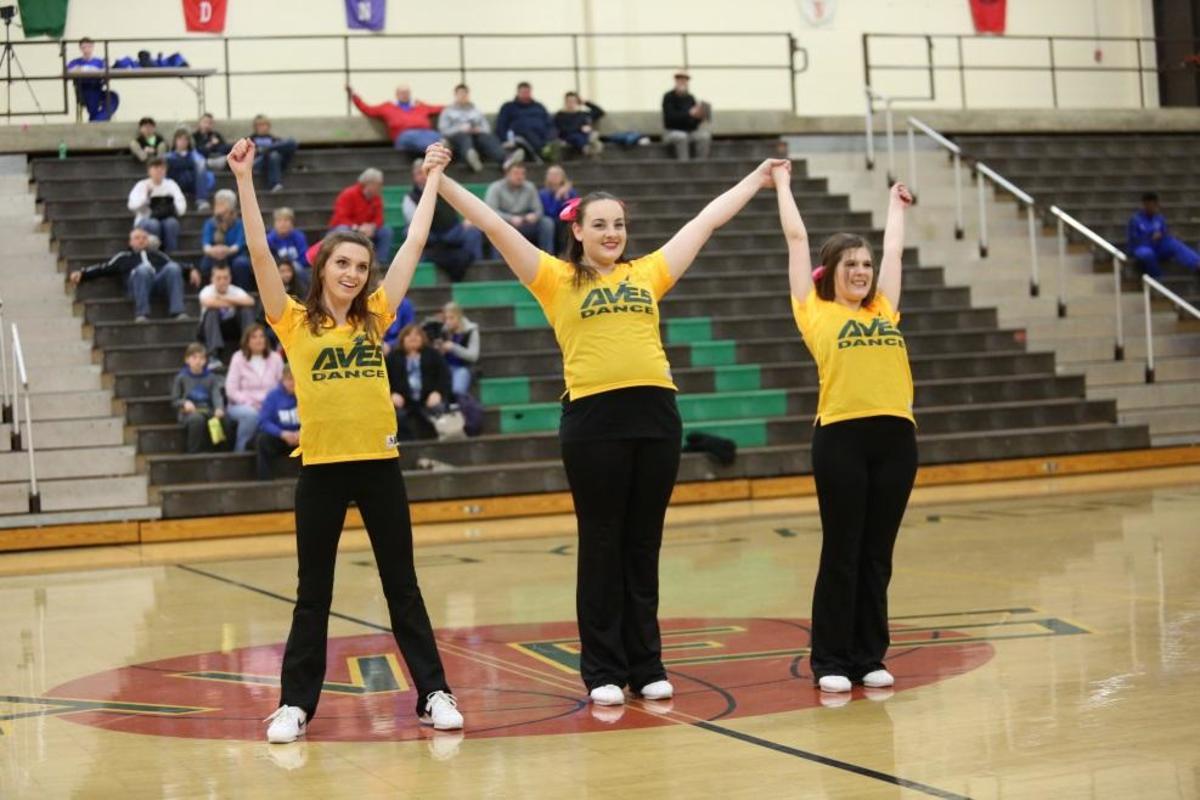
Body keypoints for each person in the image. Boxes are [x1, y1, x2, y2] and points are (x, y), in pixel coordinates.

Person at [437, 147, 789, 707]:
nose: (612, 233)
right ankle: (602, 667)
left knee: (642, 546)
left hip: (656, 417)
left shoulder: (647, 273)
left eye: (619, 224)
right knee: (601, 546)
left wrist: (758, 175)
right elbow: (491, 222)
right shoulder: (553, 277)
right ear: (576, 229)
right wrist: (441, 178)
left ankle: (646, 663)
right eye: (599, 224)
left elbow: (707, 219)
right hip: (593, 420)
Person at [228, 136, 464, 742]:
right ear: (323, 268)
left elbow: (412, 243)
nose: (353, 274)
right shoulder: (293, 321)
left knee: (402, 586)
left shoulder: (378, 314)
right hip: (323, 470)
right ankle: (295, 705)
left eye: (361, 267)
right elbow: (257, 250)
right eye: (343, 264)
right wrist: (246, 181)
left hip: (379, 466)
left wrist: (432, 177)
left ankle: (434, 692)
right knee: (315, 593)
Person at [774, 167, 917, 695]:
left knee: (878, 553)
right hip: (840, 438)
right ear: (829, 270)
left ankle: (868, 654)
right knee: (843, 550)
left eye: (865, 264)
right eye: (851, 264)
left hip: (896, 439)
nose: (861, 271)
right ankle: (830, 659)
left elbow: (896, 255)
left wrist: (895, 207)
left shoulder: (884, 309)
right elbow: (795, 237)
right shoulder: (814, 312)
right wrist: (783, 185)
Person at [68, 228, 186, 322]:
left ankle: (178, 311)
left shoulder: (158, 255)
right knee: (143, 270)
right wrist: (83, 273)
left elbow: (174, 265)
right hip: (136, 286)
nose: (141, 240)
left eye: (144, 238)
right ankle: (142, 314)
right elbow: (104, 268)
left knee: (173, 268)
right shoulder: (124, 257)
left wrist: (190, 270)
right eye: (137, 238)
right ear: (130, 242)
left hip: (157, 284)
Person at [404, 158, 482, 281]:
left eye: (424, 172)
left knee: (473, 232)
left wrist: (468, 219)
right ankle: (419, 271)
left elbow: (464, 204)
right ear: (414, 177)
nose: (422, 176)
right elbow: (415, 222)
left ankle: (477, 269)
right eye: (418, 173)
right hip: (430, 235)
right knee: (410, 232)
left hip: (452, 231)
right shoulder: (410, 198)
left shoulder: (446, 189)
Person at [385, 324, 451, 441]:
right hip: (402, 401)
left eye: (417, 335)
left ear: (423, 338)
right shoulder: (393, 357)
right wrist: (391, 394)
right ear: (402, 339)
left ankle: (438, 443)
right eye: (409, 335)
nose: (413, 338)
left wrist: (438, 393)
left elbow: (445, 377)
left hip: (428, 398)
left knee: (439, 408)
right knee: (392, 415)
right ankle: (396, 448)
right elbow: (383, 380)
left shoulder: (433, 354)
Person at [225, 324, 285, 453]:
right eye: (254, 337)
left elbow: (282, 386)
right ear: (247, 341)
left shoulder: (275, 358)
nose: (259, 340)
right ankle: (240, 452)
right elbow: (231, 390)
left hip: (269, 405)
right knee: (251, 415)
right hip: (243, 405)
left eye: (262, 336)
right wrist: (251, 403)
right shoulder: (238, 358)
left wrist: (269, 403)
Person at [348, 84, 444, 156]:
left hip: (426, 133)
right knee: (414, 137)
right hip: (404, 136)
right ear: (397, 94)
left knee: (437, 136)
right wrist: (354, 96)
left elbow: (438, 108)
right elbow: (367, 110)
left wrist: (456, 105)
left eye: (407, 92)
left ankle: (437, 150)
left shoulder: (419, 105)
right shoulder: (387, 106)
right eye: (402, 92)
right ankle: (434, 151)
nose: (405, 95)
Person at [1127, 192, 1200, 279]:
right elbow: (1134, 239)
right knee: (1147, 254)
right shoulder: (1135, 220)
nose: (1153, 207)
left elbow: (1164, 233)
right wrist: (1150, 237)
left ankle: (1197, 264)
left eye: (1155, 204)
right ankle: (1157, 280)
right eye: (1150, 205)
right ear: (1145, 205)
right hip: (1141, 247)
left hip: (1157, 246)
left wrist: (1163, 235)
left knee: (1173, 243)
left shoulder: (1159, 218)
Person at [329, 168, 394, 265]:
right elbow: (341, 217)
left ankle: (381, 263)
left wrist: (372, 226)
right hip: (350, 228)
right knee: (343, 229)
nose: (381, 187)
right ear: (369, 184)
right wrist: (357, 227)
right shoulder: (348, 194)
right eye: (378, 184)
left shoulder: (377, 198)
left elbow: (379, 218)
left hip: (367, 230)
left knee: (386, 231)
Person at [485, 163, 554, 253]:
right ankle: (496, 263)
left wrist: (534, 216)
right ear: (507, 174)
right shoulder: (495, 187)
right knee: (496, 226)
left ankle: (547, 256)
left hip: (525, 221)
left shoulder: (530, 187)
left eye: (522, 174)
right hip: (505, 223)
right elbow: (491, 211)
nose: (520, 176)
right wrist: (510, 218)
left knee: (547, 223)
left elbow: (538, 209)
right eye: (516, 173)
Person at [197, 262, 257, 368]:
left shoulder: (235, 290)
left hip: (232, 328)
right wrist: (236, 303)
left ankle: (250, 350)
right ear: (212, 279)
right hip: (209, 330)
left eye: (225, 278)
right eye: (218, 278)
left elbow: (251, 301)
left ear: (230, 278)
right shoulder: (206, 290)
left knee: (246, 311)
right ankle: (213, 356)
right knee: (211, 312)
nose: (222, 281)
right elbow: (208, 303)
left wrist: (222, 298)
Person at [437, 83, 509, 171]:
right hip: (457, 138)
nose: (463, 96)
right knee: (464, 138)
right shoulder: (448, 111)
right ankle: (470, 156)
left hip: (477, 137)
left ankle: (506, 159)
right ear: (455, 95)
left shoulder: (476, 111)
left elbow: (487, 128)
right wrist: (460, 129)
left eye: (465, 94)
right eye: (461, 94)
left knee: (488, 138)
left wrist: (478, 129)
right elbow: (443, 130)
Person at [172, 342, 229, 454]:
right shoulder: (181, 378)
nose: (198, 361)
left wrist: (219, 408)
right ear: (187, 360)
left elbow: (216, 395)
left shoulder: (211, 378)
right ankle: (194, 452)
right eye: (194, 358)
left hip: (207, 410)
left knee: (224, 419)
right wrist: (184, 403)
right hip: (188, 413)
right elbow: (175, 400)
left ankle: (221, 452)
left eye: (201, 358)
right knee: (197, 420)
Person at [127, 157, 186, 252]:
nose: (159, 171)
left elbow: (180, 202)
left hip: (166, 217)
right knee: (154, 224)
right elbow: (131, 205)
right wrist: (145, 197)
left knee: (172, 223)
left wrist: (175, 209)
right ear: (149, 171)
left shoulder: (171, 184)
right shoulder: (142, 185)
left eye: (162, 168)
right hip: (146, 219)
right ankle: (154, 253)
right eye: (155, 168)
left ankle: (170, 254)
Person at [256, 365, 301, 480]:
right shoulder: (273, 396)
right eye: (290, 379)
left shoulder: (307, 394)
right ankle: (265, 481)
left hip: (302, 438)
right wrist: (282, 433)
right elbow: (264, 421)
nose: (293, 383)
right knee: (262, 440)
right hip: (281, 438)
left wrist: (302, 433)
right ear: (283, 380)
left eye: (296, 379)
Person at [201, 189, 252, 288]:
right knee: (205, 264)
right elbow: (206, 243)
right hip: (215, 254)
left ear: (231, 207)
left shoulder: (239, 223)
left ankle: (242, 291)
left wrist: (226, 251)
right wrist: (212, 251)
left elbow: (239, 243)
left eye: (222, 203)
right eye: (217, 203)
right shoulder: (210, 223)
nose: (218, 207)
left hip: (234, 255)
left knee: (241, 263)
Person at [496, 82, 556, 164]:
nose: (525, 95)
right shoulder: (508, 107)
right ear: (517, 93)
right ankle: (541, 152)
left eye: (527, 92)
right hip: (518, 136)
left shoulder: (539, 106)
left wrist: (550, 137)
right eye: (523, 92)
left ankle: (541, 151)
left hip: (541, 136)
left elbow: (550, 124)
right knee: (523, 128)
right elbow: (501, 125)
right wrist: (505, 139)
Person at [432, 302, 479, 398]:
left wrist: (454, 348)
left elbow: (473, 356)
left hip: (463, 367)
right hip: (445, 367)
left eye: (451, 318)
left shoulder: (470, 331)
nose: (448, 322)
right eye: (446, 318)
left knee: (457, 389)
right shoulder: (443, 330)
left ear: (459, 317)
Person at [662, 72, 712, 161]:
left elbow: (693, 123)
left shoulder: (690, 98)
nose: (682, 82)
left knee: (704, 136)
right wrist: (689, 114)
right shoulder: (668, 97)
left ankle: (700, 164)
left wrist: (699, 116)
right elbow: (670, 118)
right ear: (676, 81)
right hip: (671, 132)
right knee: (681, 136)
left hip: (689, 132)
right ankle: (684, 165)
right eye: (680, 80)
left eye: (685, 80)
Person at [67, 37, 118, 122]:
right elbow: (67, 71)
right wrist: (81, 69)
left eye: (89, 47)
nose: (86, 50)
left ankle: (96, 121)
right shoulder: (75, 62)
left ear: (93, 47)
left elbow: (107, 71)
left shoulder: (99, 62)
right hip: (85, 90)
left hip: (98, 88)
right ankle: (97, 121)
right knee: (92, 98)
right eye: (84, 47)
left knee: (113, 97)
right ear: (80, 49)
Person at [167, 127, 214, 212]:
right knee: (198, 163)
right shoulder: (169, 156)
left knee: (203, 168)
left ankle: (201, 201)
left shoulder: (194, 154)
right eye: (180, 139)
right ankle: (211, 162)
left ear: (189, 142)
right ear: (175, 141)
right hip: (178, 182)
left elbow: (199, 162)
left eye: (185, 139)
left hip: (193, 183)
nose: (183, 142)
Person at [249, 114, 298, 192]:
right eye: (260, 125)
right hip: (259, 162)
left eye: (265, 124)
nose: (263, 127)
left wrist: (267, 149)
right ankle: (275, 184)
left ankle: (266, 149)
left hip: (276, 161)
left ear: (269, 126)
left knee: (291, 142)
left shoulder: (275, 139)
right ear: (255, 127)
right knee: (273, 154)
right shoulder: (250, 140)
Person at [540, 165, 579, 254]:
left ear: (563, 177)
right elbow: (550, 212)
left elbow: (574, 210)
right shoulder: (543, 193)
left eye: (557, 174)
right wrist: (558, 197)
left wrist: (566, 196)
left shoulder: (570, 192)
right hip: (552, 221)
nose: (554, 177)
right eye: (551, 174)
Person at [555, 92, 604, 157]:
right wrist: (580, 128)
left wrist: (585, 102)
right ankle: (587, 147)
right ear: (565, 102)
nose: (571, 103)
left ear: (577, 102)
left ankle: (589, 143)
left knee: (586, 134)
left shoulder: (583, 114)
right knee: (574, 136)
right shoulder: (560, 115)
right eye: (569, 101)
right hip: (568, 135)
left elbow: (600, 112)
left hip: (583, 135)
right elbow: (563, 129)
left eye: (573, 101)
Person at [267, 207, 311, 272]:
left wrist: (290, 267)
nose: (283, 224)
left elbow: (305, 257)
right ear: (274, 224)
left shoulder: (299, 237)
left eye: (286, 220)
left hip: (296, 268)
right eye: (279, 221)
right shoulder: (269, 239)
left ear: (292, 223)